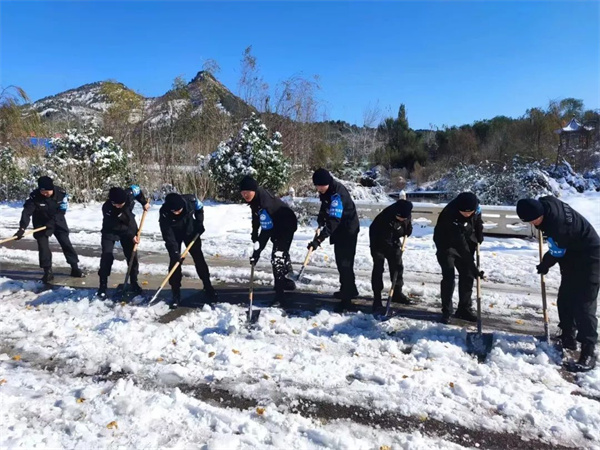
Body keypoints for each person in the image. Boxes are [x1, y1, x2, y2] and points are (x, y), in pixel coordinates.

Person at [517, 197, 600, 372]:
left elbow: (556, 252)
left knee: (584, 306)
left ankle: (589, 350)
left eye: (534, 220)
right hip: (573, 256)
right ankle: (568, 336)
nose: (533, 224)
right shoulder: (545, 203)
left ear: (541, 214)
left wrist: (544, 264)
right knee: (565, 299)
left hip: (591, 258)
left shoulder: (559, 226)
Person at [14, 176, 85, 283]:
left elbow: (62, 211)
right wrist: (22, 228)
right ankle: (48, 272)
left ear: (52, 188)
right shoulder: (34, 196)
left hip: (58, 222)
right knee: (43, 247)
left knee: (66, 243)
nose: (45, 194)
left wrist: (51, 223)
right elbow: (26, 212)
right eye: (43, 192)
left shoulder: (61, 194)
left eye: (47, 191)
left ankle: (74, 268)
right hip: (40, 223)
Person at [308, 169, 360, 312]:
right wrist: (321, 217)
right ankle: (349, 289)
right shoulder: (327, 190)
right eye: (317, 186)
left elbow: (334, 221)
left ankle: (347, 300)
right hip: (340, 229)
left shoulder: (337, 194)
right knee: (341, 262)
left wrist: (319, 239)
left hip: (347, 230)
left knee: (345, 263)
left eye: (320, 186)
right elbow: (325, 205)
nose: (318, 189)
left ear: (327, 183)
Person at [239, 175, 298, 303]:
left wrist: (256, 253)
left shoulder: (265, 203)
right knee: (280, 251)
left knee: (277, 257)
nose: (245, 195)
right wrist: (254, 232)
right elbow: (256, 216)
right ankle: (287, 281)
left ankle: (280, 294)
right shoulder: (255, 198)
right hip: (276, 223)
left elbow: (266, 233)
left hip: (286, 225)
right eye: (243, 193)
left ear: (253, 190)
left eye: (247, 192)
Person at [433, 192, 484, 324]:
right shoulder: (449, 215)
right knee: (449, 277)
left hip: (466, 241)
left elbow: (478, 220)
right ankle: (447, 312)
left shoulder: (476, 207)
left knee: (467, 276)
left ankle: (464, 309)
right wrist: (474, 268)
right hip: (446, 245)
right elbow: (460, 245)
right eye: (464, 212)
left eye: (469, 212)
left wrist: (479, 233)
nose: (467, 215)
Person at [159, 192, 215, 308]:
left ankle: (208, 285)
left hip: (190, 231)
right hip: (174, 235)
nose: (177, 212)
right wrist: (175, 252)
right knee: (175, 262)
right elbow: (168, 235)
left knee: (199, 258)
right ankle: (175, 293)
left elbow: (199, 209)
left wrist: (199, 223)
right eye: (174, 211)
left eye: (179, 210)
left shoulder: (191, 201)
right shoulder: (164, 212)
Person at [97, 185, 150, 298]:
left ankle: (134, 282)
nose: (120, 205)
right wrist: (132, 235)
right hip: (110, 230)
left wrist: (144, 202)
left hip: (128, 226)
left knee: (132, 255)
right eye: (118, 204)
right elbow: (120, 226)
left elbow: (137, 189)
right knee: (107, 256)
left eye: (122, 203)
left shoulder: (128, 194)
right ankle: (103, 285)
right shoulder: (108, 208)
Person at [369, 199, 414, 313]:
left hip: (393, 239)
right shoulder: (385, 218)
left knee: (397, 267)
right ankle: (377, 298)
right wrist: (394, 249)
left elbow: (407, 226)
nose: (402, 219)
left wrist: (408, 230)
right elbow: (386, 239)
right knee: (379, 267)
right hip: (378, 241)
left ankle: (397, 293)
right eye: (400, 217)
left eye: (404, 218)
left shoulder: (406, 212)